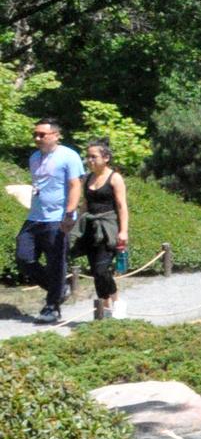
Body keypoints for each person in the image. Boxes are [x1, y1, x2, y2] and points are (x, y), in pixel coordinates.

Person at [23, 116, 84, 325]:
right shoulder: (33, 158)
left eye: (42, 134)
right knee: (24, 257)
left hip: (57, 218)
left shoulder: (69, 156)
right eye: (35, 135)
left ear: (56, 136)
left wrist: (69, 214)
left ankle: (52, 307)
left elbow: (76, 185)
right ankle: (58, 289)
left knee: (56, 263)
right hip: (35, 217)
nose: (38, 138)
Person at [78, 138, 129, 322]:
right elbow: (85, 204)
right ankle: (104, 308)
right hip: (91, 228)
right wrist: (76, 225)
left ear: (106, 157)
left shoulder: (115, 178)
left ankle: (116, 301)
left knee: (102, 269)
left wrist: (124, 231)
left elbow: (122, 206)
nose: (90, 160)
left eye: (94, 156)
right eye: (88, 157)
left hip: (108, 228)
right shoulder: (86, 178)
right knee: (95, 271)